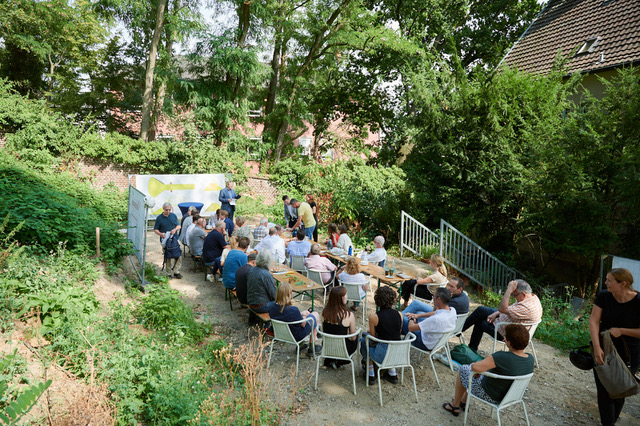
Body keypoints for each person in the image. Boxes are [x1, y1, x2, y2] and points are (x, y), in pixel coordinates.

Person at [443, 324, 535, 417]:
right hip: (510, 397)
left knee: (465, 369)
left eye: (505, 337)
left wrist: (480, 371)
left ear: (509, 342)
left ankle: (455, 405)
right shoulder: (530, 359)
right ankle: (463, 401)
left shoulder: (501, 356)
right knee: (475, 371)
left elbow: (475, 367)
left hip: (491, 396)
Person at [589, 268, 640, 426]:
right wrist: (597, 348)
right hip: (604, 348)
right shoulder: (604, 296)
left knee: (619, 390)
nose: (605, 283)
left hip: (630, 353)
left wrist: (622, 331)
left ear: (622, 284)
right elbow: (594, 321)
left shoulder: (639, 301)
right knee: (604, 391)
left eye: (609, 281)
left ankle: (612, 420)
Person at [462, 279, 543, 353]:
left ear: (523, 294)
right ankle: (461, 331)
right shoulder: (532, 298)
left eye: (515, 295)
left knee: (480, 321)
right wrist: (496, 313)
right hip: (507, 318)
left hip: (506, 333)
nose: (514, 297)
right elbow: (506, 309)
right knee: (481, 310)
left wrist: (509, 290)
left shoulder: (526, 308)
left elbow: (502, 308)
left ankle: (470, 347)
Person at [360, 286, 402, 385]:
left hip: (382, 355)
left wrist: (370, 332)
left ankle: (370, 374)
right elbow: (397, 332)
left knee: (364, 340)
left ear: (377, 300)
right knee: (389, 341)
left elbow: (373, 339)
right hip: (397, 354)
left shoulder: (374, 317)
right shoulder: (399, 314)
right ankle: (392, 374)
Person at [268, 282, 321, 356]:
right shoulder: (293, 310)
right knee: (315, 315)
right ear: (289, 294)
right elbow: (303, 324)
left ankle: (302, 345)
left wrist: (301, 314)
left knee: (303, 317)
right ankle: (312, 348)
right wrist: (304, 316)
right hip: (297, 335)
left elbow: (287, 317)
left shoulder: (271, 307)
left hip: (281, 334)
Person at [402, 276, 469, 334]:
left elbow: (436, 312)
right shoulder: (463, 295)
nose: (448, 288)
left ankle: (398, 318)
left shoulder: (456, 302)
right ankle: (401, 321)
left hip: (443, 324)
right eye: (449, 285)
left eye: (452, 287)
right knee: (416, 305)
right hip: (450, 323)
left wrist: (436, 302)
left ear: (460, 289)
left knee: (416, 308)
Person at [321, 286, 357, 369]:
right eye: (346, 295)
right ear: (341, 298)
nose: (347, 297)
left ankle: (329, 359)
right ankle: (340, 362)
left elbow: (324, 331)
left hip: (327, 346)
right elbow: (353, 337)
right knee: (357, 337)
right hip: (342, 349)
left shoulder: (324, 312)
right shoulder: (349, 315)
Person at [153, 202, 182, 279]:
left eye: (169, 210)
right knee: (168, 255)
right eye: (166, 210)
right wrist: (161, 234)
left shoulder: (173, 216)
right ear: (163, 209)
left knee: (178, 254)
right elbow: (155, 229)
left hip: (174, 238)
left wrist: (175, 229)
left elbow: (179, 226)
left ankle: (176, 271)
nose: (168, 211)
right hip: (165, 239)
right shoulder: (159, 218)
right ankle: (168, 273)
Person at [246, 251, 277, 322]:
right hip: (262, 306)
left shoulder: (252, 270)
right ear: (268, 261)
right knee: (283, 303)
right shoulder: (266, 275)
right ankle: (272, 326)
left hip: (250, 302)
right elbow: (274, 295)